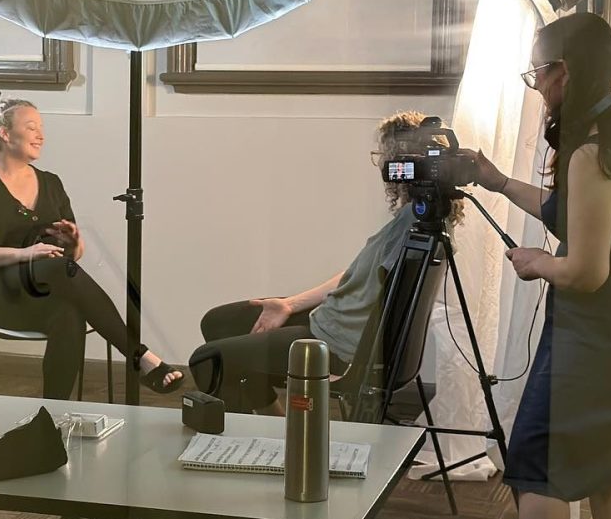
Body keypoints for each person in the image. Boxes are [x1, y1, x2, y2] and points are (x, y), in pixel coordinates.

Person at [464, 13, 611, 519]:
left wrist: (538, 263)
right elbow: (580, 216)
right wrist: (496, 180)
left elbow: (587, 270)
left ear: (565, 72)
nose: (535, 85)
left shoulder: (589, 152)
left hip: (588, 335)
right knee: (608, 467)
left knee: (536, 463)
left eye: (537, 72)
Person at [189, 111, 462, 415]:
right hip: (328, 324)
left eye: (384, 156)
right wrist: (289, 304)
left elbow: (386, 295)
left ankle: (251, 443)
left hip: (336, 345)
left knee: (208, 359)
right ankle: (276, 431)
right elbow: (357, 275)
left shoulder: (417, 222)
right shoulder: (416, 217)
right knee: (218, 321)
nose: (384, 167)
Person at [0, 93, 184, 399]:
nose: (40, 135)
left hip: (36, 292)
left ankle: (52, 417)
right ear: (5, 134)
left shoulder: (51, 184)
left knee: (69, 311)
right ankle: (138, 356)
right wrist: (25, 254)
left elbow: (68, 260)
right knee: (58, 273)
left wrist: (74, 245)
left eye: (42, 127)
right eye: (31, 126)